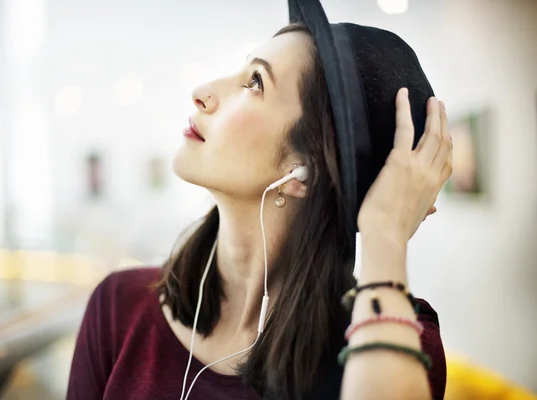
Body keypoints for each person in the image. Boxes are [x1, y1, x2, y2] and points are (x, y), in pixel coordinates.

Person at [67, 2, 451, 399]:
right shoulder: (119, 308)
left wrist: (385, 236)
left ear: (306, 171)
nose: (202, 93)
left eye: (255, 82)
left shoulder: (398, 341)